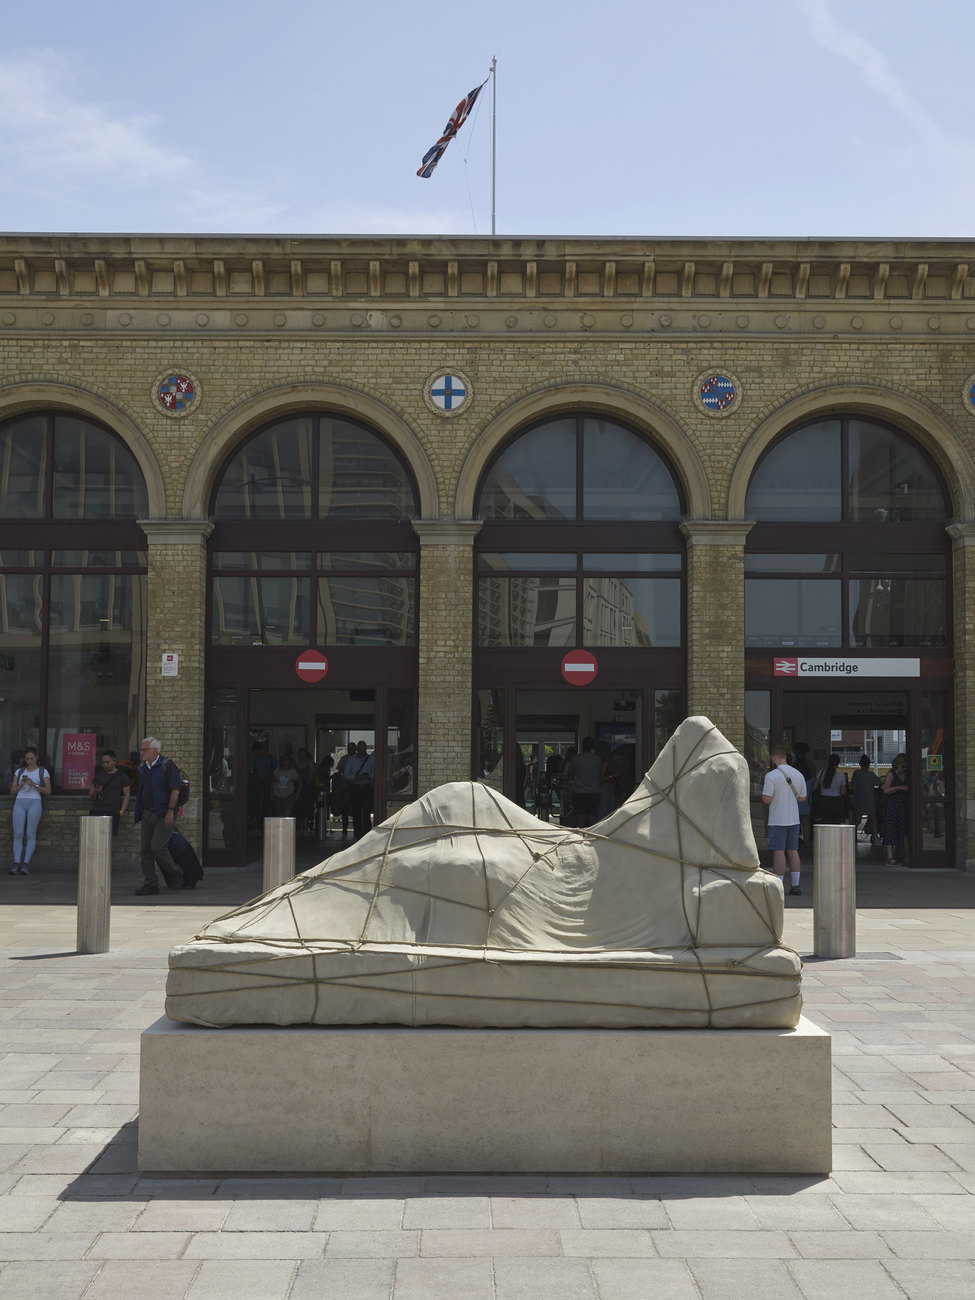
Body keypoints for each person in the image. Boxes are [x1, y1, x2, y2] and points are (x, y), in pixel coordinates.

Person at [133, 737, 183, 895]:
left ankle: (175, 871)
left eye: (144, 750)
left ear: (155, 751)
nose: (141, 752)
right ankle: (150, 883)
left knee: (157, 846)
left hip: (163, 813)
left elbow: (175, 789)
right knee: (145, 850)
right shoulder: (143, 768)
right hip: (147, 812)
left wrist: (170, 810)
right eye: (141, 749)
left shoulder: (167, 766)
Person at [761, 746, 804, 895]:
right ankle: (796, 884)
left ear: (774, 758)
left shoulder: (771, 776)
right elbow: (802, 798)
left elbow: (767, 799)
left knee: (779, 851)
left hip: (777, 819)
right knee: (793, 851)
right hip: (794, 819)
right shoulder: (798, 774)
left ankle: (779, 885)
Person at [8, 745, 51, 874]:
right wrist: (21, 784)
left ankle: (26, 863)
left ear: (36, 757)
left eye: (32, 758)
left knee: (31, 834)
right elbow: (12, 791)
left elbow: (48, 791)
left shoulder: (42, 771)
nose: (30, 761)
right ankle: (16, 862)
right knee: (18, 834)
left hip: (35, 802)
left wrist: (35, 785)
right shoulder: (19, 771)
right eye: (27, 759)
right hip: (20, 802)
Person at [88, 749, 131, 835]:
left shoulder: (122, 776)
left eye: (107, 762)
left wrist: (122, 811)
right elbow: (90, 794)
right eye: (103, 763)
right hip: (97, 809)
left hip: (113, 811)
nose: (105, 765)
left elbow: (127, 794)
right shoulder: (99, 776)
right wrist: (95, 791)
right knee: (94, 835)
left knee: (110, 837)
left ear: (114, 761)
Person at [565, 737, 603, 829]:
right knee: (593, 819)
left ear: (582, 746)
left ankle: (581, 838)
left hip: (579, 792)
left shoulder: (575, 759)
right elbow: (600, 775)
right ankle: (593, 838)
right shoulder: (598, 759)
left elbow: (569, 775)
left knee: (581, 819)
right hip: (594, 792)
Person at [882, 753, 909, 864]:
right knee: (891, 828)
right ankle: (890, 856)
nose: (904, 769)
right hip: (893, 804)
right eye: (902, 766)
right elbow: (886, 790)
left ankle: (902, 855)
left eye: (906, 767)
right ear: (897, 765)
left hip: (903, 805)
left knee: (902, 828)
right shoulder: (891, 774)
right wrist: (899, 787)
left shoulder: (907, 775)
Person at [345, 740, 375, 840]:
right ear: (356, 750)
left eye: (364, 750)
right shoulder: (351, 760)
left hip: (366, 788)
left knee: (366, 813)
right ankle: (357, 834)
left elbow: (375, 774)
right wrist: (356, 777)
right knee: (356, 813)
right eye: (360, 750)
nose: (362, 752)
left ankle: (367, 834)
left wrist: (368, 777)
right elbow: (346, 775)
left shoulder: (370, 760)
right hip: (355, 788)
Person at [851, 754, 879, 843]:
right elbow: (879, 783)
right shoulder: (870, 774)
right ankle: (875, 837)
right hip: (869, 800)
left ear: (860, 764)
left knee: (858, 819)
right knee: (873, 817)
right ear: (868, 765)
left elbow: (852, 784)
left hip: (858, 799)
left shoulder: (856, 773)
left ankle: (852, 835)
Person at [814, 753, 847, 824]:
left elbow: (815, 787)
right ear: (838, 763)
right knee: (836, 824)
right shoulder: (841, 776)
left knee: (825, 823)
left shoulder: (821, 772)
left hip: (823, 801)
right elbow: (843, 792)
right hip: (836, 802)